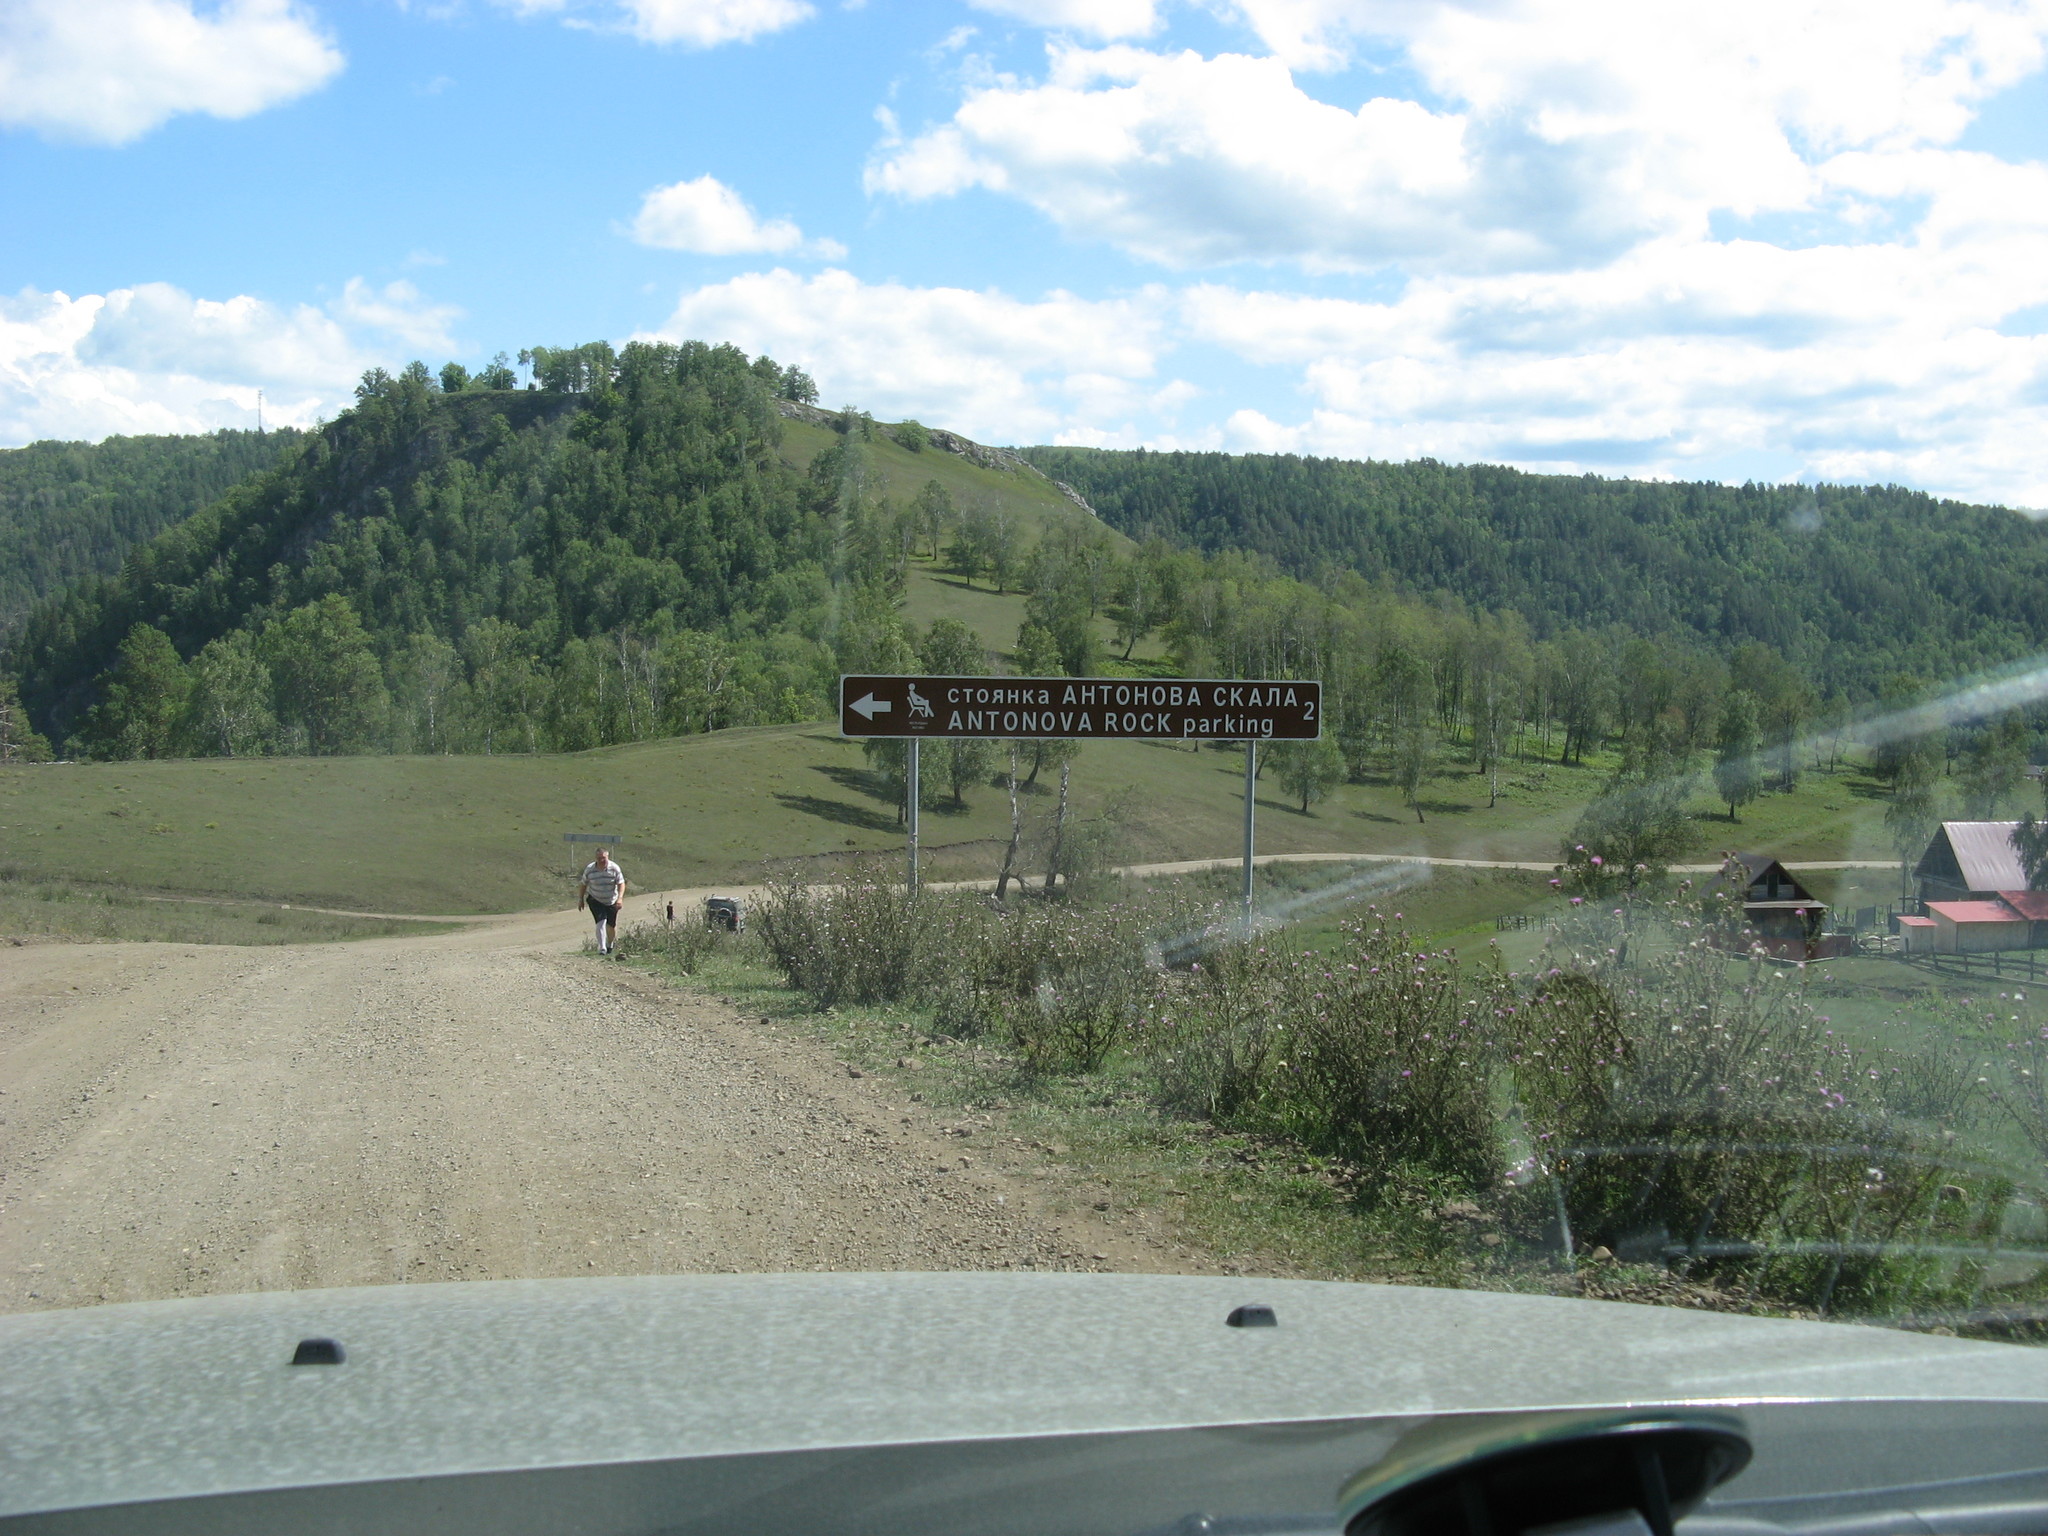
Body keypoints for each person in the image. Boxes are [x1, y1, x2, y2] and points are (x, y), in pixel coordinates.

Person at [578, 848, 627, 955]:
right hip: (595, 899)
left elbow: (621, 883)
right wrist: (580, 899)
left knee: (611, 926)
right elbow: (583, 884)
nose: (601, 860)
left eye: (603, 858)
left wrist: (620, 898)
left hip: (611, 900)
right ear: (596, 858)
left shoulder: (614, 868)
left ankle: (610, 944)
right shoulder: (590, 869)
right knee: (601, 921)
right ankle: (602, 948)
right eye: (599, 858)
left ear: (607, 857)